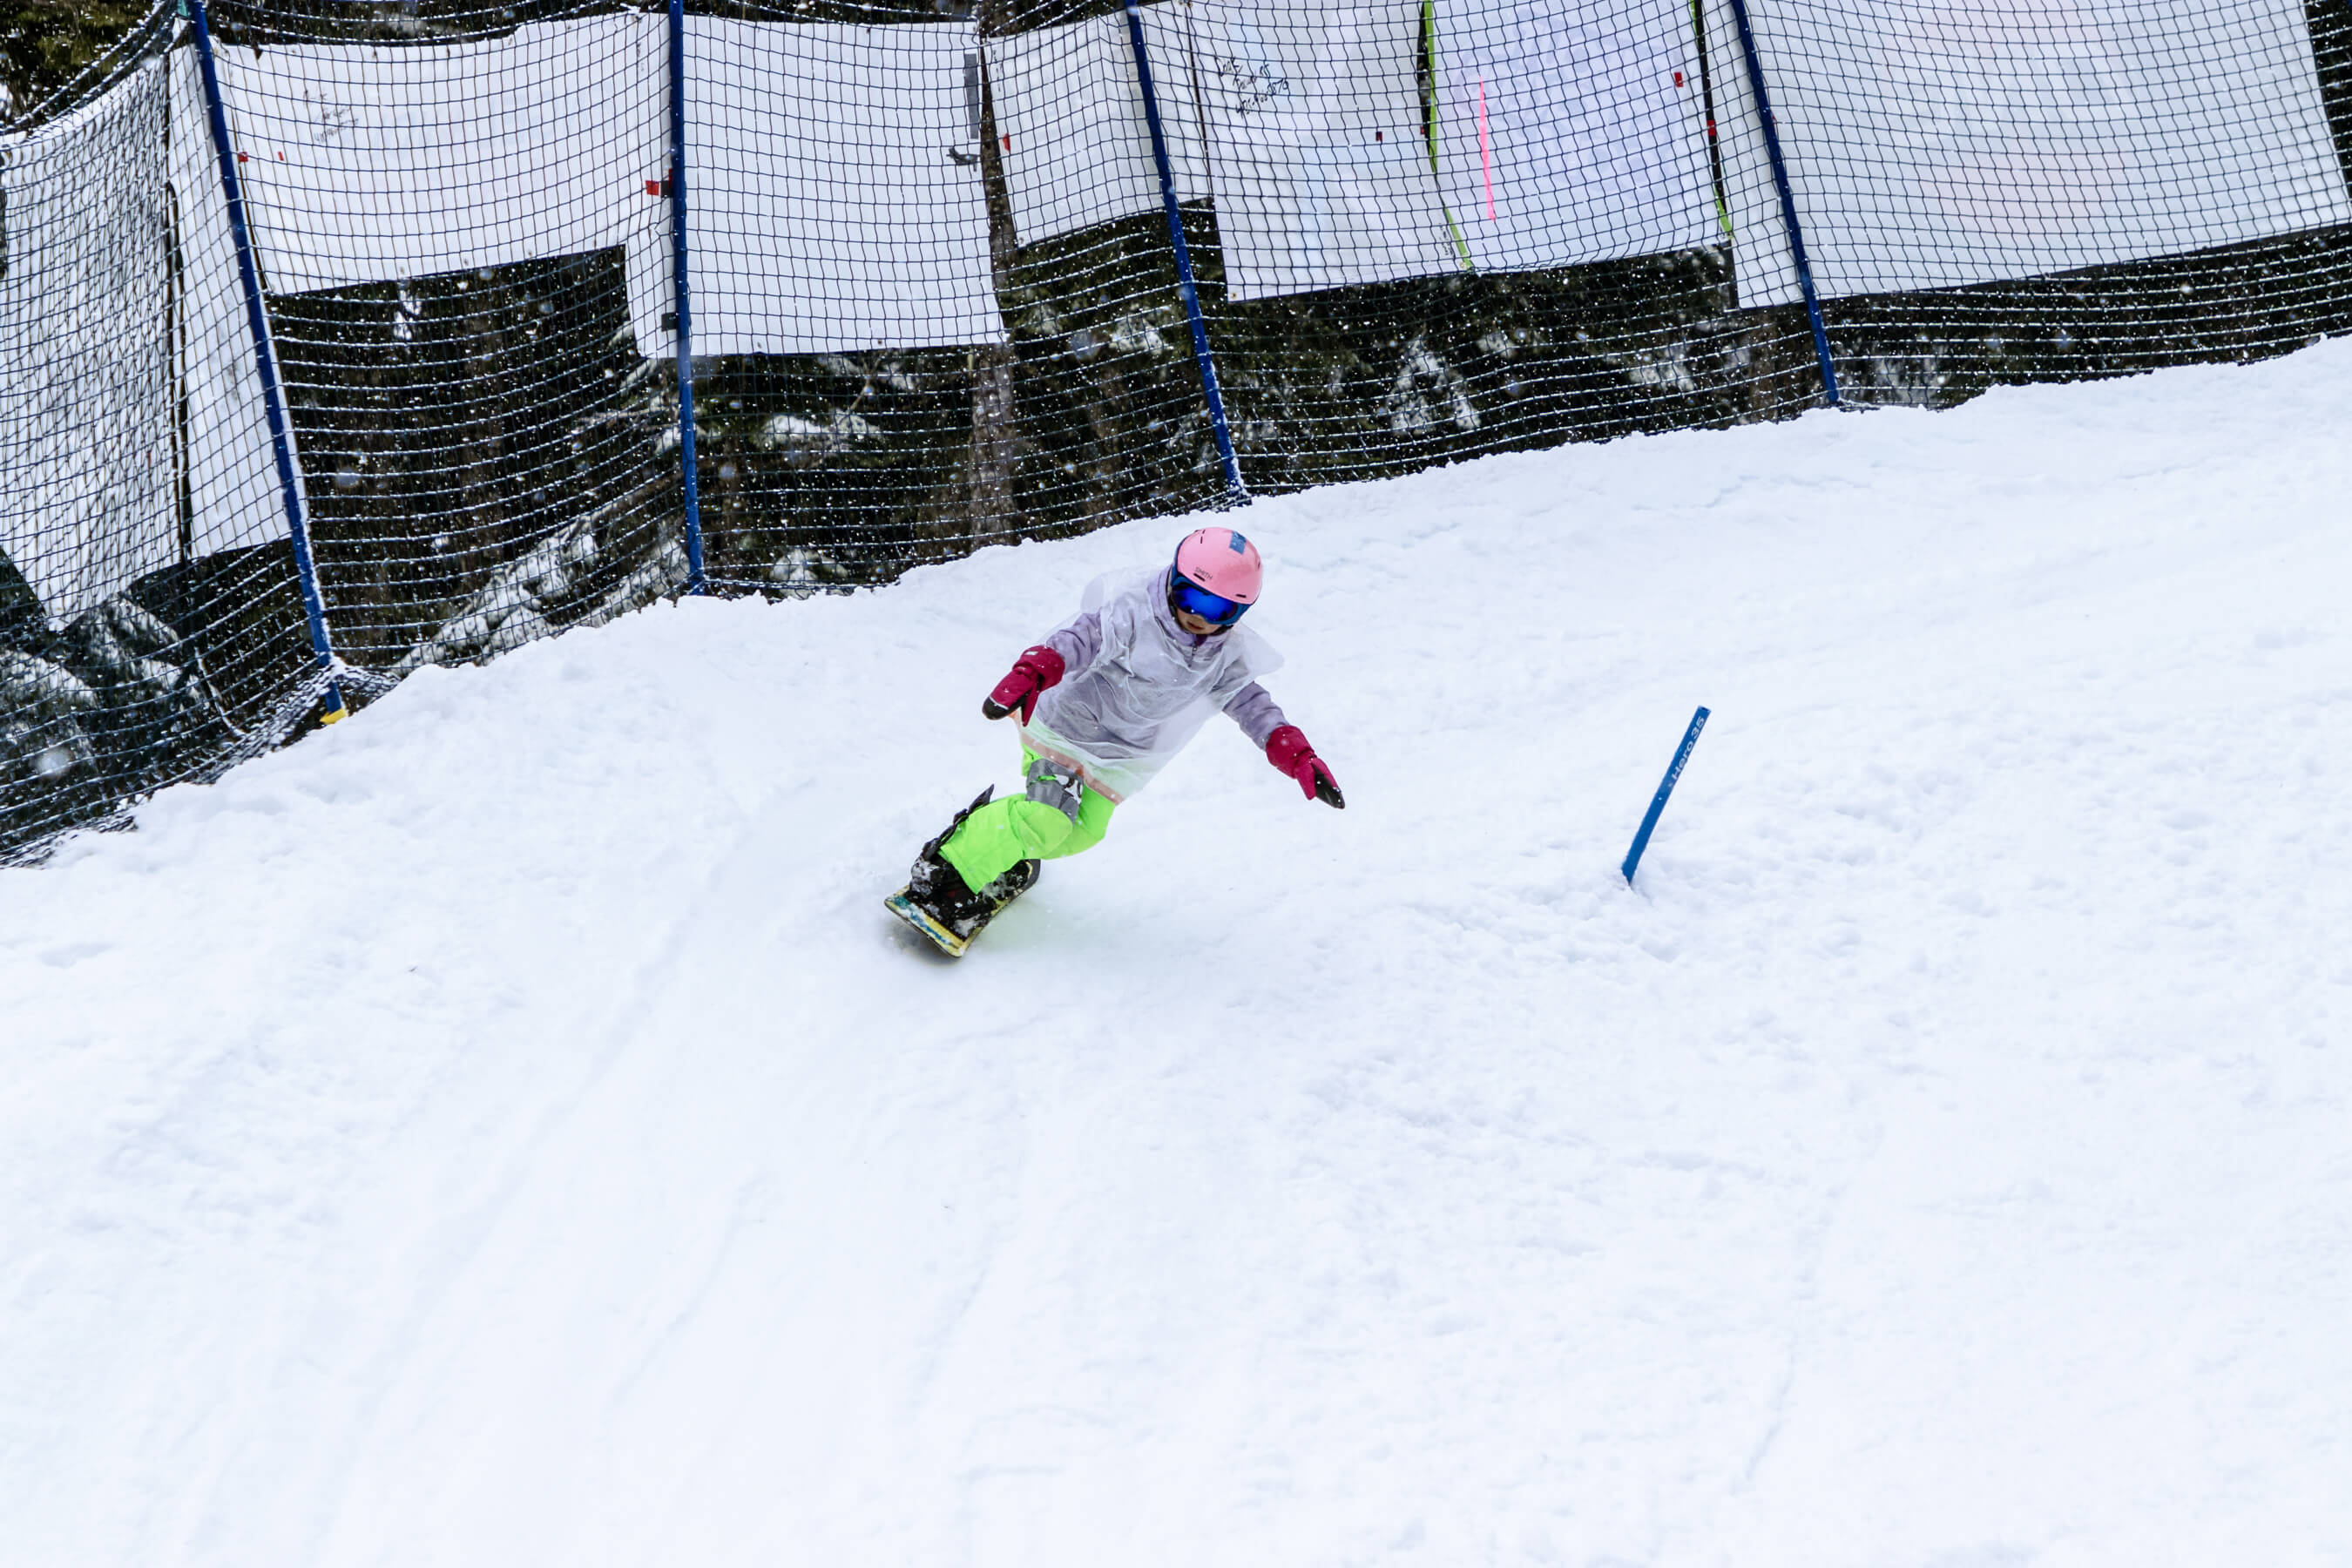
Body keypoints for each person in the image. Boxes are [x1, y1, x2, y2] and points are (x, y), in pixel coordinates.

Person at [902, 526, 1343, 941]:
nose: (1196, 614)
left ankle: (1002, 845)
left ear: (1237, 614)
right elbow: (1080, 639)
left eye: (1216, 609)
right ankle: (945, 869)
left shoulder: (1226, 657)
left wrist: (1298, 757)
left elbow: (1252, 706)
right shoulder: (1134, 613)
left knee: (1083, 832)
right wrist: (1033, 672)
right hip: (1067, 729)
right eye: (1189, 595)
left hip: (1120, 757)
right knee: (1047, 820)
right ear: (1172, 581)